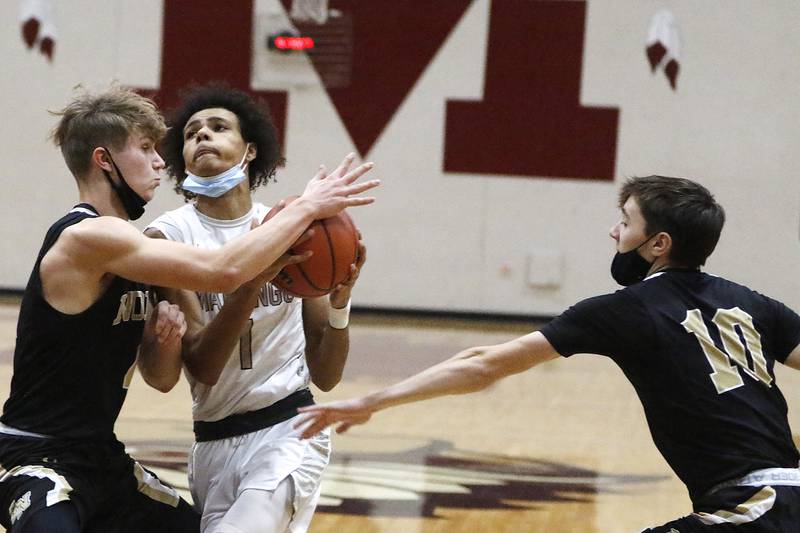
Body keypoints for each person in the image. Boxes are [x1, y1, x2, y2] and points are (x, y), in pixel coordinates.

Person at [294, 176, 800, 532]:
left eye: (625, 222)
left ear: (658, 243)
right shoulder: (752, 301)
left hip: (753, 509)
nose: (614, 232)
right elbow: (482, 358)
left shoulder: (625, 310)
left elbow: (484, 366)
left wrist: (370, 403)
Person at [0, 86, 378, 533]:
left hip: (102, 458)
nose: (161, 161)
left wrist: (164, 341)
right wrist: (309, 206)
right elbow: (223, 270)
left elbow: (161, 378)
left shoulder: (135, 250)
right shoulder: (91, 237)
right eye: (145, 149)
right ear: (105, 161)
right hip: (37, 457)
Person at [144, 83, 367, 533]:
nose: (202, 136)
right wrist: (253, 282)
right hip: (212, 440)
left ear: (249, 151)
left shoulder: (290, 229)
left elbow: (325, 374)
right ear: (182, 158)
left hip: (289, 429)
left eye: (218, 127)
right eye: (191, 133)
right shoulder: (167, 239)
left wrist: (340, 307)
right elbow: (203, 366)